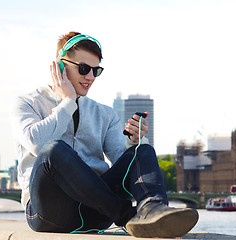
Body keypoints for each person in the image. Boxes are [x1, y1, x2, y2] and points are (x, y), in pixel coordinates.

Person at [10, 31, 198, 238]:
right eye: (83, 69)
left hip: (97, 210)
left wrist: (133, 141)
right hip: (50, 213)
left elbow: (122, 162)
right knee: (53, 150)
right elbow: (37, 143)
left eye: (95, 71)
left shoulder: (105, 113)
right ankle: (128, 217)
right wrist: (67, 102)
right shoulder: (26, 102)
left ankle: (153, 209)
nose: (90, 77)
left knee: (141, 150)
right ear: (60, 67)